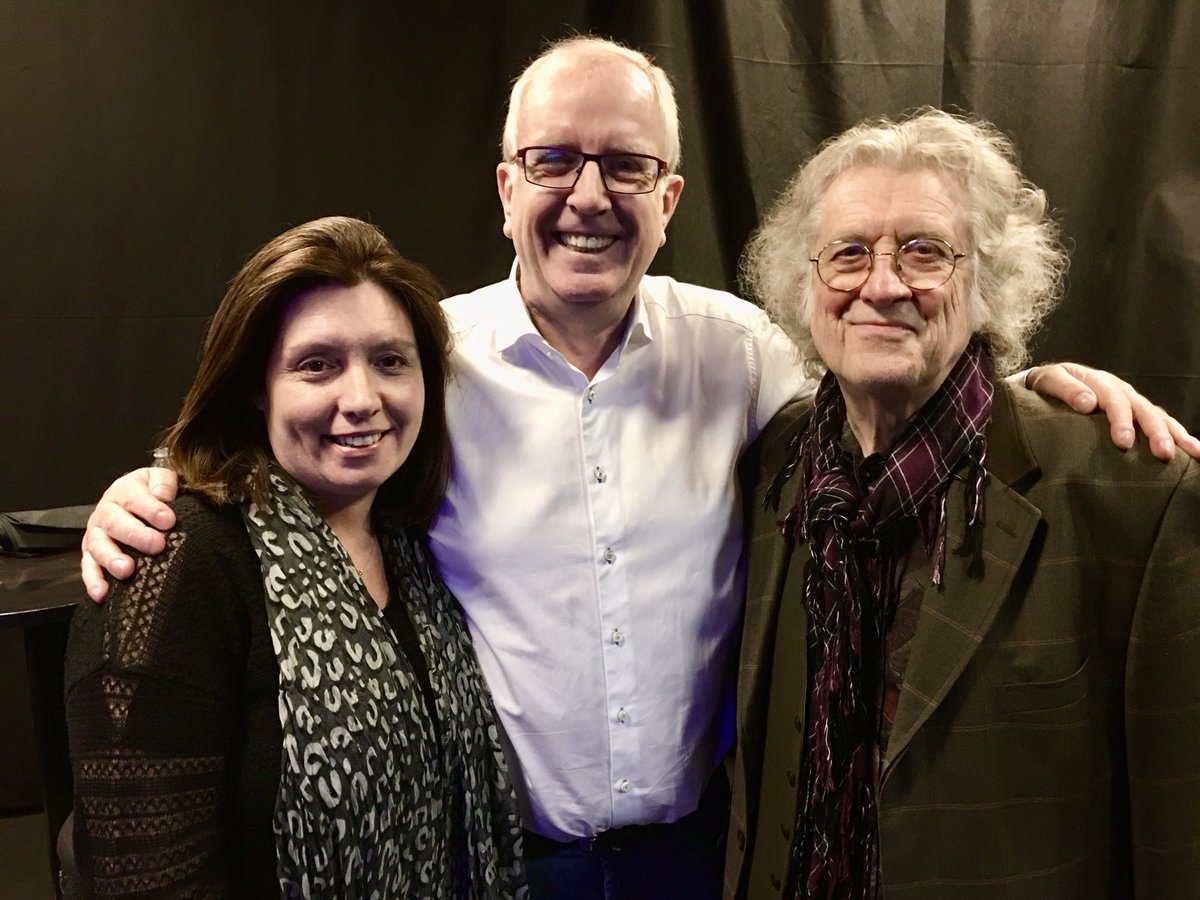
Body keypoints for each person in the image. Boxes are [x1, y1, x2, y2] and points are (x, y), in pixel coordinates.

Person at [78, 39, 1200, 900]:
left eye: (627, 165)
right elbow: (296, 456)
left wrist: (1038, 384)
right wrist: (162, 489)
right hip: (507, 863)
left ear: (668, 200)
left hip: (710, 855)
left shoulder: (745, 354)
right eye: (554, 161)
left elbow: (898, 391)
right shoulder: (422, 369)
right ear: (507, 186)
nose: (588, 194)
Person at [725, 109, 1200, 899]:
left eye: (924, 251)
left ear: (987, 282)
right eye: (848, 253)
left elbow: (1183, 831)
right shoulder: (773, 467)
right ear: (805, 287)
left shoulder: (1134, 496)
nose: (881, 285)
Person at [65, 217, 526, 898]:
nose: (362, 399)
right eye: (318, 365)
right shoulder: (179, 560)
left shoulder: (416, 547)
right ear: (258, 386)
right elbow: (143, 877)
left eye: (391, 362)